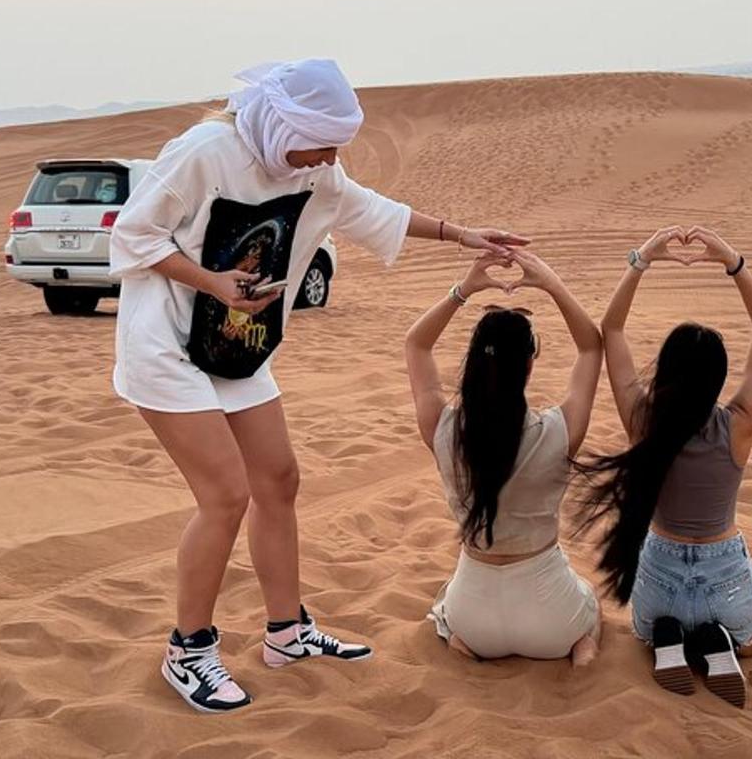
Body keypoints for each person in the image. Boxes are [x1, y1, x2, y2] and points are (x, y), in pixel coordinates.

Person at [109, 59, 527, 713]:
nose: (331, 160)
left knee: (279, 480)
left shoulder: (314, 170)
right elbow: (133, 236)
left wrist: (460, 235)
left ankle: (286, 632)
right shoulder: (205, 152)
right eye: (322, 145)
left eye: (336, 147)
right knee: (225, 495)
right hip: (165, 347)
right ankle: (187, 650)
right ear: (283, 126)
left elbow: (366, 208)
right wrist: (214, 283)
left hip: (239, 344)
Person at [577, 226, 752, 707]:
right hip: (723, 573)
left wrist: (641, 260)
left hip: (658, 580)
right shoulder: (739, 425)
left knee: (650, 629)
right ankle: (716, 640)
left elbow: (611, 330)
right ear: (718, 379)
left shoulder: (643, 421)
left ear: (664, 370)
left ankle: (667, 639)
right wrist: (733, 262)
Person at [404, 249, 603, 666]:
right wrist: (551, 283)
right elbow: (591, 347)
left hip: (473, 616)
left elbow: (417, 344)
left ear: (475, 363)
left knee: (448, 611)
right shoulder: (558, 431)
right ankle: (582, 648)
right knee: (590, 606)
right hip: (550, 618)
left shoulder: (444, 428)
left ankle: (461, 642)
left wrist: (464, 290)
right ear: (528, 367)